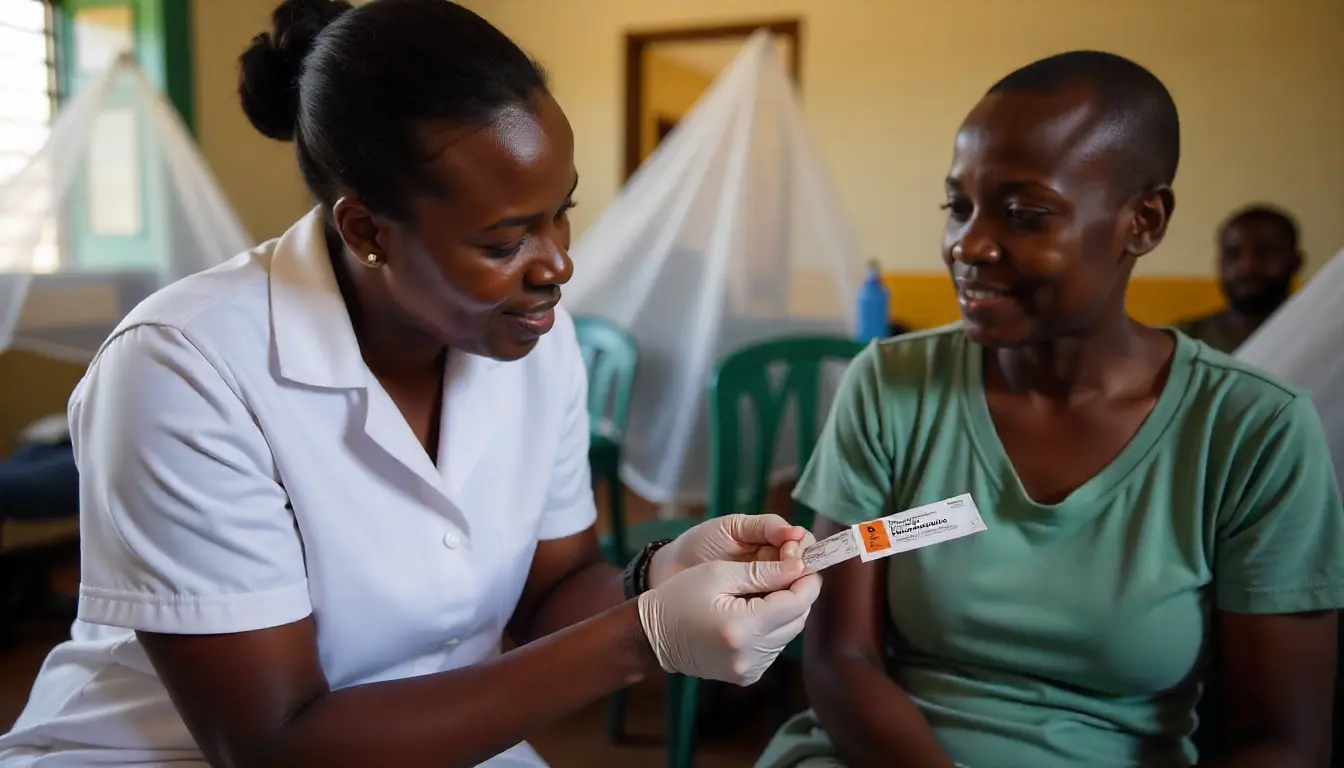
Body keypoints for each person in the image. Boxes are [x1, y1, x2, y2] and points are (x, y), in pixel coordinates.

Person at [0, 1, 821, 765]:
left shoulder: (542, 343)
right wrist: (642, 638)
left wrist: (656, 576)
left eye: (562, 212)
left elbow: (552, 593)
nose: (560, 264)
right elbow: (272, 745)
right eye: (505, 241)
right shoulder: (183, 368)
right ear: (365, 229)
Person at [756, 50, 1343, 768]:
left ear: (1144, 221)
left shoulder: (1252, 431)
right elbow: (839, 659)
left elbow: (1282, 741)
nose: (967, 245)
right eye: (957, 207)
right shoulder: (891, 386)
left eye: (1024, 215)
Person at [1175, 205, 1304, 354]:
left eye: (1265, 252)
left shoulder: (1317, 335)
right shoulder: (1181, 342)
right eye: (1233, 254)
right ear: (1220, 264)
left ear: (1295, 262)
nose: (1247, 267)